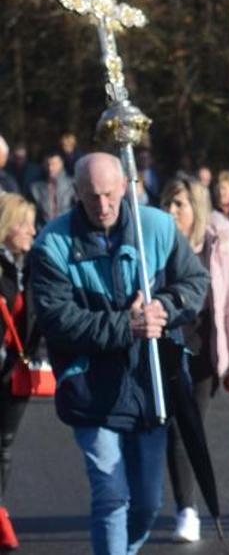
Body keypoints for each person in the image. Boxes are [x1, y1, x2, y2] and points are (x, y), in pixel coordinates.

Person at [28, 152, 207, 555]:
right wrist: (126, 325)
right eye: (92, 197)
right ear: (77, 193)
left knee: (146, 504)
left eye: (110, 195)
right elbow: (59, 320)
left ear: (126, 187)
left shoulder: (157, 228)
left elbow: (194, 282)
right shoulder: (52, 245)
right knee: (111, 495)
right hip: (90, 383)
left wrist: (165, 306)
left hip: (149, 384)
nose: (103, 206)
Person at [159, 176, 229, 543]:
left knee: (185, 429)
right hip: (164, 350)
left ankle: (188, 509)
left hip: (204, 357)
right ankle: (183, 504)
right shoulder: (156, 246)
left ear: (195, 207)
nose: (170, 211)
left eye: (178, 204)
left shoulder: (218, 250)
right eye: (167, 202)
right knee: (169, 429)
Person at [0, 194, 39, 550]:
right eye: (24, 223)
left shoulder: (32, 266)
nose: (31, 230)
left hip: (17, 371)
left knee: (6, 445)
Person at [29, 153, 74, 227]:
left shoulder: (71, 185)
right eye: (47, 164)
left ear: (61, 163)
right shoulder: (35, 188)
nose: (50, 168)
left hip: (67, 228)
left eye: (54, 164)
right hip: (43, 229)